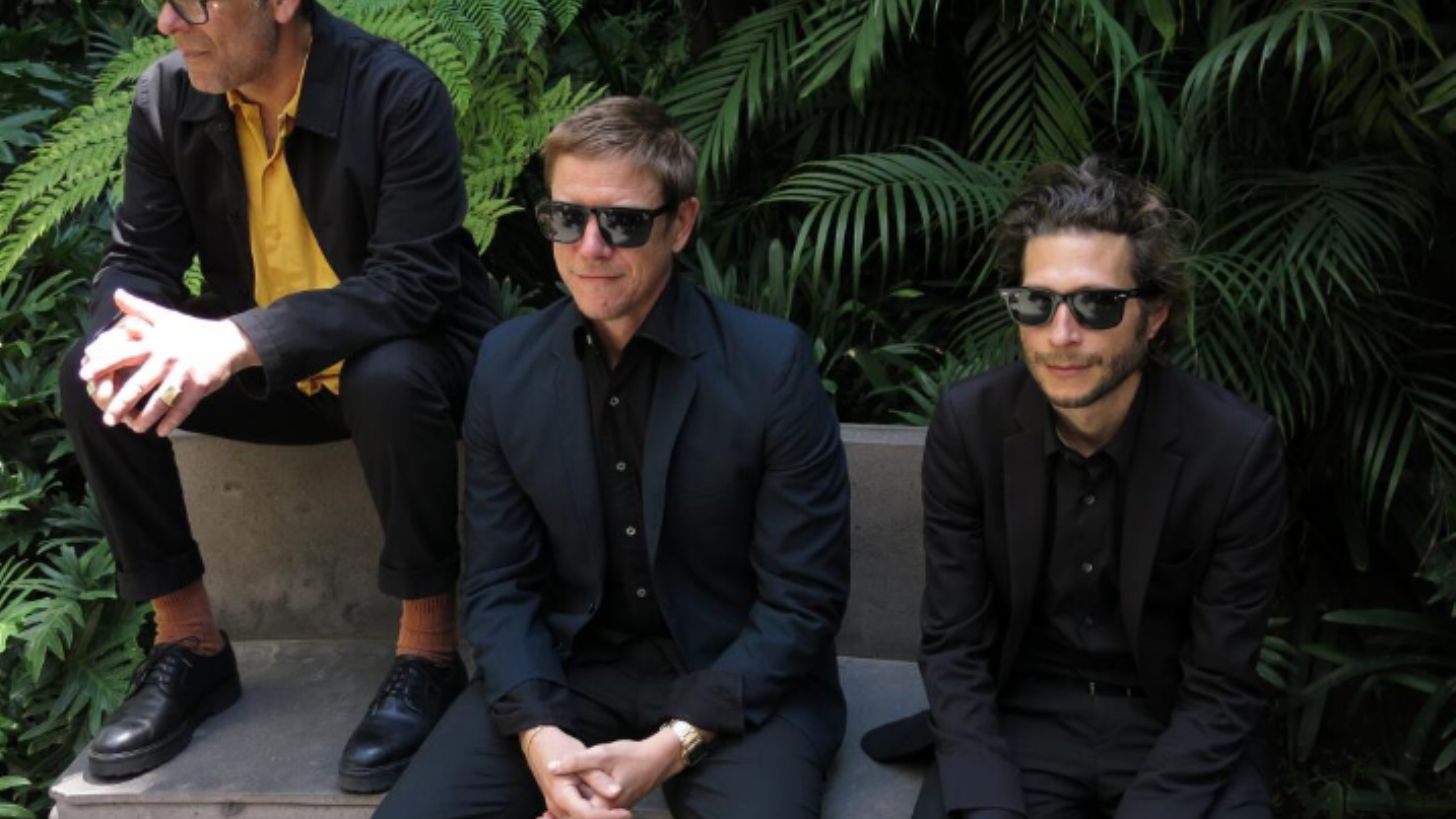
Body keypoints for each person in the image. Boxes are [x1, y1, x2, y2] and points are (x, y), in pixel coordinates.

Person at [60, 0, 496, 792]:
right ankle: (189, 643)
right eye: (161, 1)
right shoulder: (167, 97)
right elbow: (139, 258)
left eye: (193, 3)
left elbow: (413, 285)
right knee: (97, 371)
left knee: (388, 374)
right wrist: (122, 337)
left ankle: (429, 652)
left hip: (410, 363)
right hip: (273, 374)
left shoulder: (395, 93)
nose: (167, 23)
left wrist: (238, 339)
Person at [374, 96, 851, 819]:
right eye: (567, 218)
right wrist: (540, 736)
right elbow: (500, 584)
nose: (590, 247)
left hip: (739, 680)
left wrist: (669, 746)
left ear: (681, 224)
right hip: (566, 674)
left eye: (623, 223)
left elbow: (803, 600)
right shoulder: (505, 364)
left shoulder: (770, 365)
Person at [862, 158, 1286, 818]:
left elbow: (1221, 683)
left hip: (1174, 724)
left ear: (1154, 315)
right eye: (1036, 303)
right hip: (1017, 717)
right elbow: (954, 646)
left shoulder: (1234, 450)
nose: (1062, 335)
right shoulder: (970, 425)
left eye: (1097, 304)